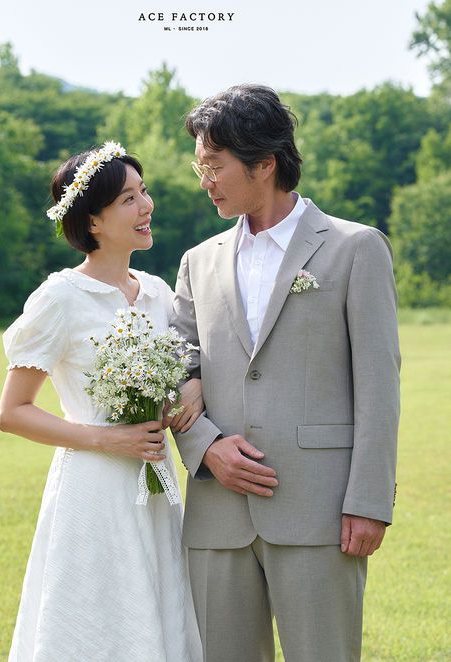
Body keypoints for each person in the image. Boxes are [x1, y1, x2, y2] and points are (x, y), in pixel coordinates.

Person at [171, 85, 401, 662]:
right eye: (200, 167)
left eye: (214, 165)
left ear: (265, 162)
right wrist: (206, 447)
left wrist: (370, 500)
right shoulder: (198, 261)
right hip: (218, 515)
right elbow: (173, 371)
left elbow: (379, 386)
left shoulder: (356, 248)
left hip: (321, 511)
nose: (205, 180)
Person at [0, 142, 203, 661]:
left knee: (160, 607)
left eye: (144, 192)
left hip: (155, 483)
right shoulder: (60, 298)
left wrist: (186, 394)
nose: (146, 205)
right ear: (93, 221)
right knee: (96, 618)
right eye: (128, 199)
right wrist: (108, 439)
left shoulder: (157, 292)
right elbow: (13, 413)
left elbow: (179, 379)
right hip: (92, 487)